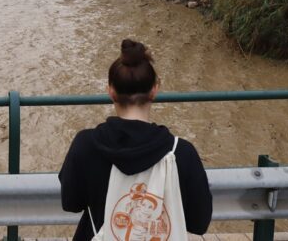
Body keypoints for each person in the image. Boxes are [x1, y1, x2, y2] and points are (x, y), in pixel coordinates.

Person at [59, 39, 212, 240]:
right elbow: (199, 222)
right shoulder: (182, 153)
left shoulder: (85, 144)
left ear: (111, 91)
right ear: (154, 90)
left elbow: (71, 203)